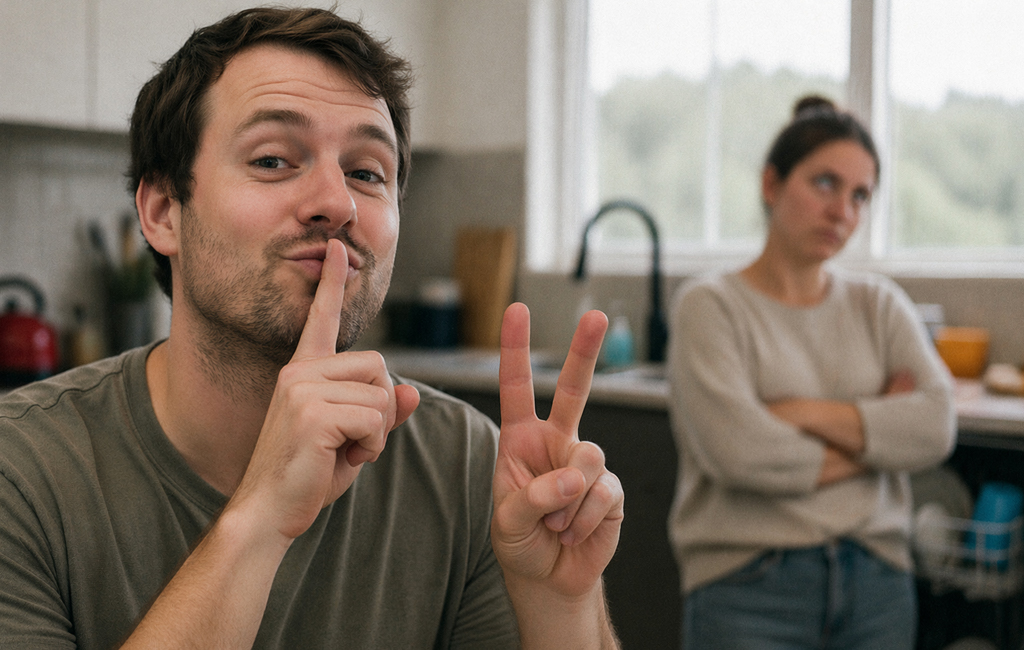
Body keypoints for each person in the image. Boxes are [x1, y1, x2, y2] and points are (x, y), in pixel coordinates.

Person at [0, 7, 623, 648]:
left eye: (366, 173)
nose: (337, 203)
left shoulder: (467, 467)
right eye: (272, 160)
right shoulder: (19, 475)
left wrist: (560, 607)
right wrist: (263, 512)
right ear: (163, 212)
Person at [667, 96, 956, 649]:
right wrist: (878, 437)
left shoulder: (880, 304)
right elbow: (739, 453)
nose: (842, 211)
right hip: (748, 584)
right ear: (771, 184)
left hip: (879, 580)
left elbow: (936, 425)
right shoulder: (709, 305)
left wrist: (796, 413)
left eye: (860, 195)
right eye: (825, 183)